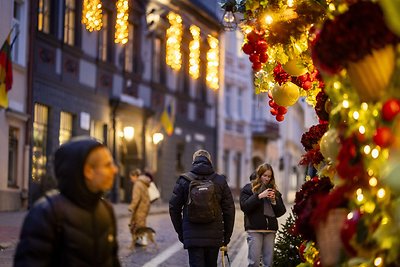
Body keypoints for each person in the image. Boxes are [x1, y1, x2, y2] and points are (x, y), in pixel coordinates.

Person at [14, 136, 120, 267]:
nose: (115, 170)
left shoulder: (106, 210)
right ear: (88, 171)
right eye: (108, 165)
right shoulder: (46, 213)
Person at [169, 149, 235, 267]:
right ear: (209, 161)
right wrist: (226, 236)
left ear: (194, 161)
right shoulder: (220, 181)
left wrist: (181, 232)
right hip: (214, 236)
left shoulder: (184, 180)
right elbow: (229, 210)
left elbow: (174, 208)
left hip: (192, 235)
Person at [240, 163, 286, 267]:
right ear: (259, 175)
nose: (267, 178)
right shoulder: (248, 189)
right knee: (254, 263)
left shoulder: (275, 191)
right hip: (254, 230)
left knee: (268, 263)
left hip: (270, 230)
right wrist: (259, 196)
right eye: (264, 175)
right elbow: (245, 207)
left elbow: (281, 212)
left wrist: (274, 201)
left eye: (269, 176)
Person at [128, 170, 152, 245]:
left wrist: (131, 207)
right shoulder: (143, 183)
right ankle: (138, 238)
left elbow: (136, 198)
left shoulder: (137, 184)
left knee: (140, 223)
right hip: (145, 206)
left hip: (140, 207)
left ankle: (143, 240)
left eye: (131, 177)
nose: (131, 179)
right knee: (139, 222)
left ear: (135, 176)